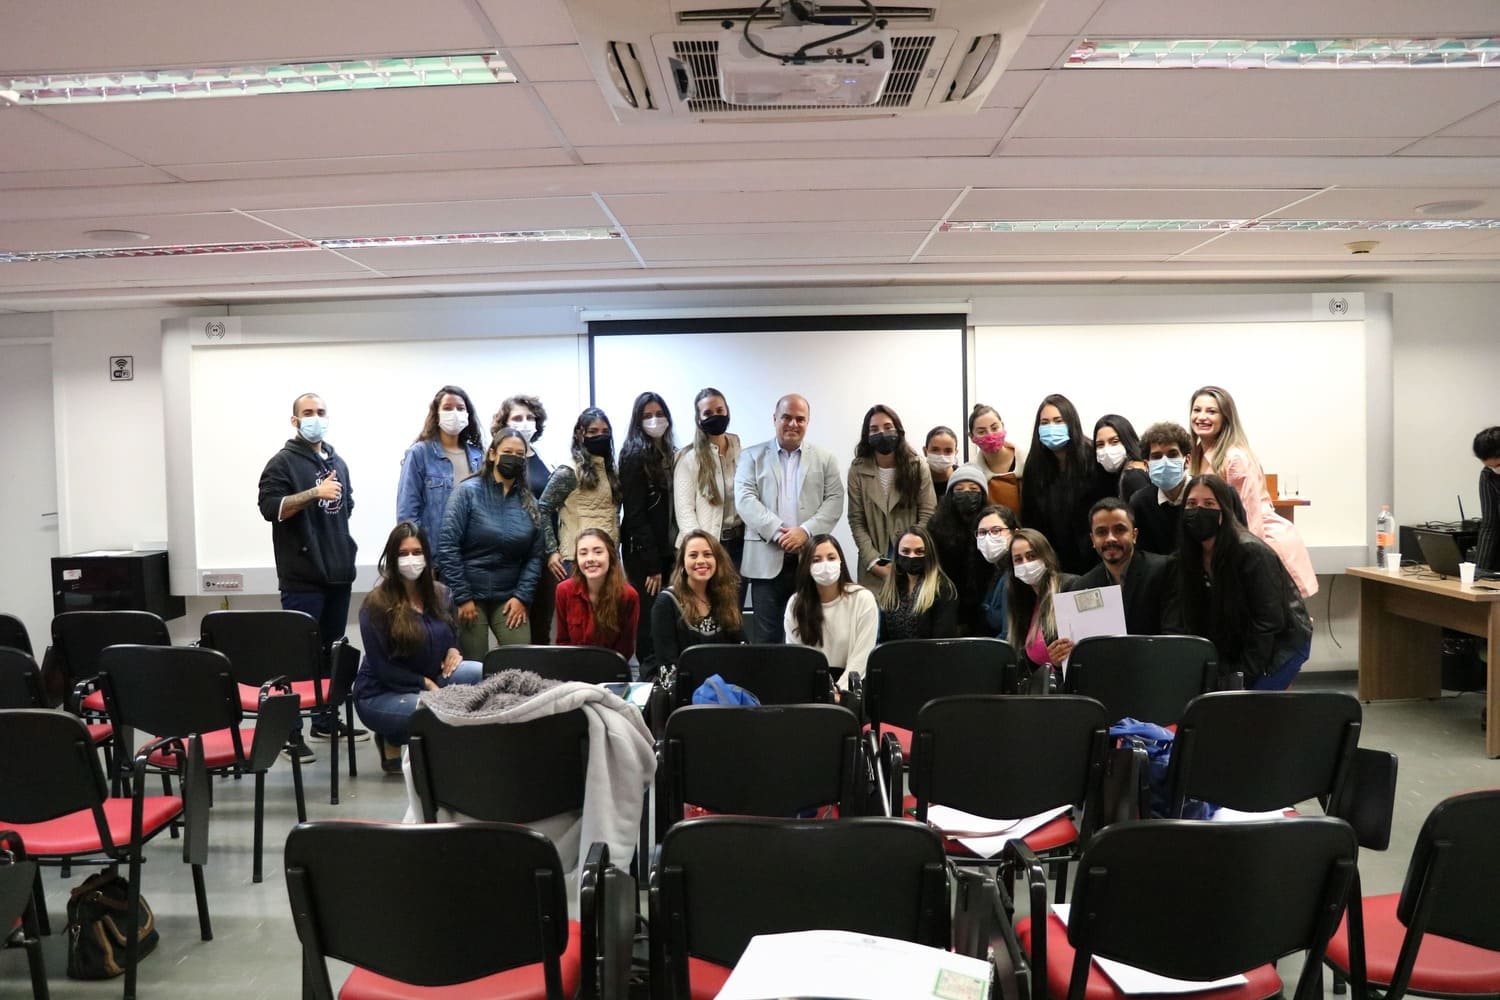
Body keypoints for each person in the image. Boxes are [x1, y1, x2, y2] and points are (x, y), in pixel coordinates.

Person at [256, 391, 366, 758]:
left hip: (338, 573)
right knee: (297, 655)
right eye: (308, 412)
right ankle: (291, 733)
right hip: (302, 576)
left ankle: (324, 719)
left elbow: (344, 508)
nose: (315, 417)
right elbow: (271, 509)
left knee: (330, 653)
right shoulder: (282, 463)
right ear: (294, 420)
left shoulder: (338, 462)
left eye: (320, 412)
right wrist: (313, 493)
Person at [351, 522, 482, 773]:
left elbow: (451, 633)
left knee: (477, 672)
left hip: (431, 677)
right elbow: (383, 668)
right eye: (403, 553)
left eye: (417, 552)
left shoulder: (441, 594)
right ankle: (395, 736)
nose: (411, 559)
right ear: (391, 558)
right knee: (432, 710)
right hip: (381, 692)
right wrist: (426, 685)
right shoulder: (375, 604)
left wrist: (454, 651)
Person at [1164, 475, 1313, 690]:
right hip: (1237, 642)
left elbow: (1268, 622)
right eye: (1191, 504)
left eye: (1208, 504)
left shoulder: (1252, 553)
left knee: (1247, 708)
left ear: (1223, 512)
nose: (1198, 510)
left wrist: (1242, 676)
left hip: (1283, 643)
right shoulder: (1186, 558)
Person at [734, 394, 845, 643]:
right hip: (765, 561)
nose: (793, 424)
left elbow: (835, 500)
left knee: (810, 634)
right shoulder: (750, 456)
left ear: (808, 422)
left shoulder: (825, 459)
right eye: (786, 417)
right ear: (775, 419)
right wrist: (778, 532)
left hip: (810, 559)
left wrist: (804, 532)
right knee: (767, 638)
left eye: (800, 419)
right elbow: (745, 500)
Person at [1188, 386, 1318, 598]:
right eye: (1197, 410)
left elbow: (1250, 516)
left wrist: (1250, 563)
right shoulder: (1199, 455)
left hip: (1263, 541)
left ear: (1225, 418)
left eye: (1211, 411)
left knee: (1281, 621)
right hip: (1229, 543)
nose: (1202, 417)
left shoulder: (1234, 457)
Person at [438, 428, 545, 660]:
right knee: (474, 666)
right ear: (492, 454)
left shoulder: (530, 502)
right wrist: (462, 596)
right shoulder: (467, 492)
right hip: (469, 595)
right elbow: (448, 546)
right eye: (508, 452)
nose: (513, 458)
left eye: (519, 454)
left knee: (521, 663)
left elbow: (535, 556)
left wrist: (522, 597)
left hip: (509, 596)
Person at [847, 403, 937, 590]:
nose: (882, 433)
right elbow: (856, 520)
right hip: (873, 565)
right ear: (867, 436)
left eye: (888, 427)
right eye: (874, 429)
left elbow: (928, 513)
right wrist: (872, 560)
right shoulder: (858, 469)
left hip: (913, 561)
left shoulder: (917, 465)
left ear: (898, 430)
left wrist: (908, 554)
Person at [396, 385, 484, 575]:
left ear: (468, 414)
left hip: (473, 559)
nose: (454, 413)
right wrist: (419, 557)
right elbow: (407, 514)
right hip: (436, 560)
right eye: (447, 408)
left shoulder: (478, 457)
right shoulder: (419, 453)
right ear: (436, 414)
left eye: (460, 408)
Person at [618, 391, 676, 673]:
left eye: (659, 414)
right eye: (647, 416)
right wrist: (653, 565)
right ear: (638, 421)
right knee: (650, 617)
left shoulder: (669, 453)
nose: (655, 420)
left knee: (669, 614)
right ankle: (650, 674)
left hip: (667, 549)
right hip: (643, 554)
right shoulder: (633, 454)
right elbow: (635, 514)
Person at [492, 394, 556, 644]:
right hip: (511, 557)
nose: (525, 422)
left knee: (542, 628)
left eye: (530, 418)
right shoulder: (500, 461)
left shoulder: (546, 460)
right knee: (513, 630)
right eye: (517, 418)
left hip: (543, 557)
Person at [540, 407, 622, 600]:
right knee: (579, 622)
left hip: (608, 558)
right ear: (580, 435)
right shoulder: (568, 472)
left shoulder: (611, 472)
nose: (600, 436)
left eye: (605, 432)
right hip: (576, 559)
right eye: (593, 432)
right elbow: (542, 508)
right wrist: (551, 551)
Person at [1021, 394, 1104, 576]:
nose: (1051, 427)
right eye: (1045, 422)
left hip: (1096, 559)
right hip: (1054, 563)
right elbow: (1030, 517)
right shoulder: (1035, 466)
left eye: (1058, 421)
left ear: (1071, 422)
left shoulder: (1093, 458)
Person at [1064, 499, 1173, 635]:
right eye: (1101, 532)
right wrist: (1064, 650)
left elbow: (1174, 634)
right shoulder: (1081, 587)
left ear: (1134, 535)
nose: (1110, 538)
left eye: (1119, 530)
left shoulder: (1164, 570)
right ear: (1093, 540)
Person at [784, 535, 878, 693]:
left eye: (831, 557)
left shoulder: (862, 599)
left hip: (853, 689)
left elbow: (862, 657)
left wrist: (839, 691)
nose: (825, 565)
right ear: (806, 566)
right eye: (816, 560)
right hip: (811, 689)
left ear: (840, 561)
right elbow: (797, 657)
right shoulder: (796, 603)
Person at [674, 387, 745, 591]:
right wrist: (702, 550)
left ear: (727, 412)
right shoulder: (688, 459)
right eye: (707, 413)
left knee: (734, 612)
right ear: (699, 419)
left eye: (719, 410)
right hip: (708, 548)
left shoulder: (741, 453)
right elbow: (685, 512)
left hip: (739, 546)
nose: (715, 416)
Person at [651, 529, 747, 669]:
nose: (701, 561)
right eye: (693, 555)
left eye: (708, 555)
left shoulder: (725, 596)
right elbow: (667, 663)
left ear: (717, 560)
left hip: (722, 684)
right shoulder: (666, 602)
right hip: (682, 685)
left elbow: (743, 648)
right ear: (683, 563)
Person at [553, 528, 640, 660]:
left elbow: (624, 651)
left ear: (611, 556)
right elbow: (562, 642)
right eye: (583, 553)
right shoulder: (563, 590)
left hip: (610, 671)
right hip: (573, 669)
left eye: (598, 552)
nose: (590, 559)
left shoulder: (628, 596)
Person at [928, 465, 992, 636]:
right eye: (959, 489)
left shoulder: (991, 524)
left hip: (985, 601)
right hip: (949, 601)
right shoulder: (936, 525)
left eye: (973, 489)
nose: (966, 493)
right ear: (951, 495)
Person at [1007, 528, 1078, 679]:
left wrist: (1060, 664)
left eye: (1031, 556)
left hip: (1072, 689)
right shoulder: (1022, 602)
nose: (1025, 563)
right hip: (1043, 692)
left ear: (1046, 556)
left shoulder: (1070, 586)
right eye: (1018, 559)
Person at [876, 525, 958, 641]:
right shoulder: (890, 589)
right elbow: (883, 640)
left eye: (919, 552)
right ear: (897, 556)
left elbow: (943, 643)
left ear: (929, 555)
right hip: (894, 657)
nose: (912, 556)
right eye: (905, 551)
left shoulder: (943, 589)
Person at [963, 404, 1024, 511]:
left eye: (995, 428)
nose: (990, 435)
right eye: (981, 432)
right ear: (971, 437)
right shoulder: (970, 473)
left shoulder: (1028, 460)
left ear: (1003, 426)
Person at [974, 504, 1020, 640]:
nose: (988, 538)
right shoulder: (993, 571)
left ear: (1015, 533)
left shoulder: (1015, 576)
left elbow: (1009, 635)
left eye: (996, 530)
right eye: (982, 532)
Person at [1092, 414, 1151, 501]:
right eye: (1100, 444)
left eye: (1114, 441)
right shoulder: (1109, 477)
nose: (1107, 450)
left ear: (1127, 441)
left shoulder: (1133, 476)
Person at [1473, 426, 1500, 574]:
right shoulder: (1488, 475)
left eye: (1497, 465)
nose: (1494, 470)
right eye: (1489, 466)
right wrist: (1479, 571)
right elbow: (1489, 525)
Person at [923, 426, 962, 497]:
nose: (941, 455)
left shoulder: (963, 479)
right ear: (925, 451)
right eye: (935, 450)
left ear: (955, 453)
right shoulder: (915, 479)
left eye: (948, 451)